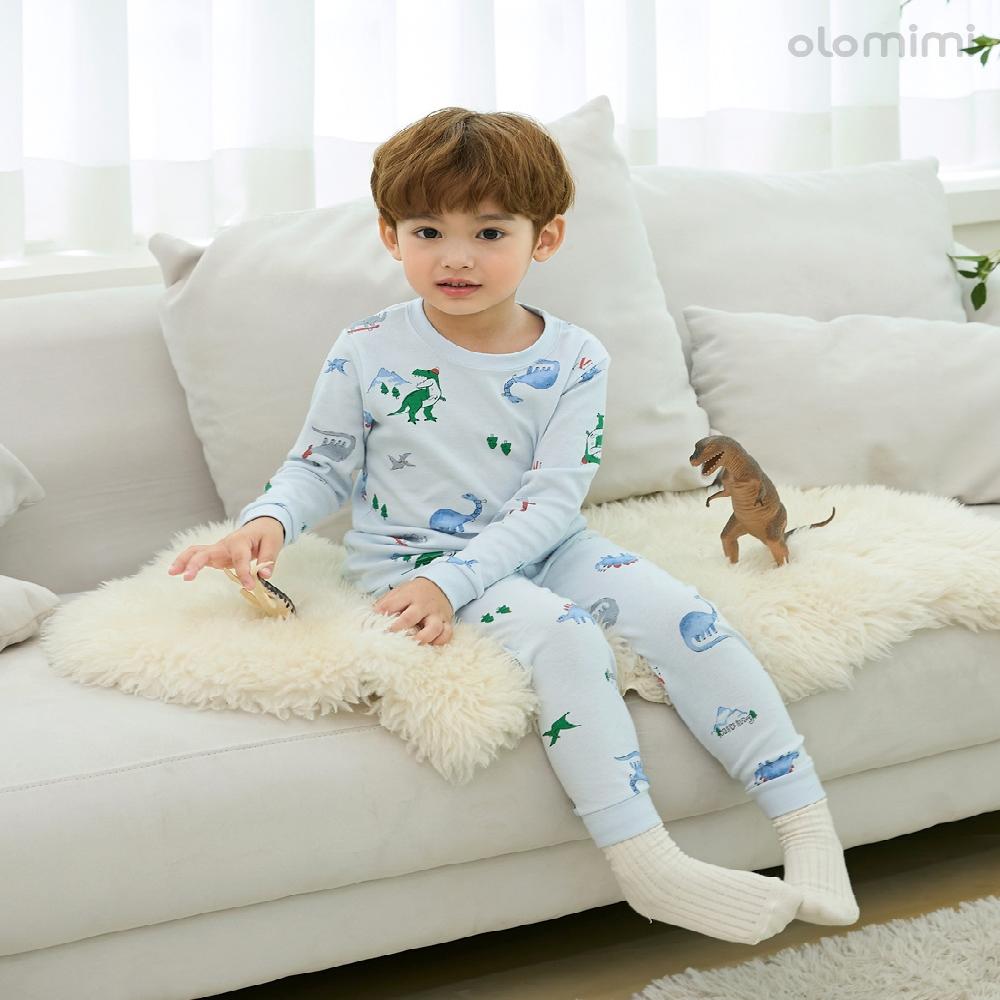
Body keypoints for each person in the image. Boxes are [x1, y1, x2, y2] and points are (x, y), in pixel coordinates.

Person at [167, 106, 860, 946]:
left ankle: (808, 829)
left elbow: (551, 503)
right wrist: (269, 521)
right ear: (390, 236)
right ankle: (648, 864)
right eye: (428, 231)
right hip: (409, 565)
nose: (456, 256)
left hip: (546, 545)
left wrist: (456, 579)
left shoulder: (575, 359)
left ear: (547, 237)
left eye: (490, 232)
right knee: (564, 637)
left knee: (688, 616)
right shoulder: (366, 349)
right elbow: (320, 464)